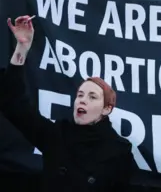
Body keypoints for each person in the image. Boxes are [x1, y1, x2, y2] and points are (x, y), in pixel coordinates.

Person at [0, 15, 133, 191]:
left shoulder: (118, 151)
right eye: (80, 95)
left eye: (92, 97)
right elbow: (14, 104)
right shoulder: (56, 135)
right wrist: (22, 48)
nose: (83, 100)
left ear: (107, 109)